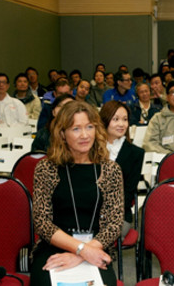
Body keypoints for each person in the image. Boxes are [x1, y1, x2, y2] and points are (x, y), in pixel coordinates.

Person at [31, 101, 123, 286]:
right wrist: (80, 249)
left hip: (97, 247)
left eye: (89, 127)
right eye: (76, 129)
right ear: (62, 134)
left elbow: (114, 224)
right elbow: (42, 222)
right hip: (54, 248)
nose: (84, 135)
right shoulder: (46, 168)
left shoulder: (110, 170)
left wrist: (83, 253)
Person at [100, 101, 145, 238]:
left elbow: (128, 193)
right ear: (104, 120)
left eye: (125, 120)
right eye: (116, 119)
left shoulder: (136, 153)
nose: (121, 124)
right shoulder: (91, 149)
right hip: (88, 211)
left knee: (93, 234)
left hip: (118, 215)